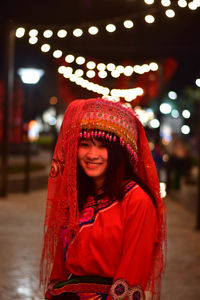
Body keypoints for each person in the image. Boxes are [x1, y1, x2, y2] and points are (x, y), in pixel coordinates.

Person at [40, 97, 166, 300]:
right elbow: (60, 267)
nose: (92, 154)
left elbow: (131, 275)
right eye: (85, 144)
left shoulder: (137, 201)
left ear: (119, 152)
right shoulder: (76, 197)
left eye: (102, 146)